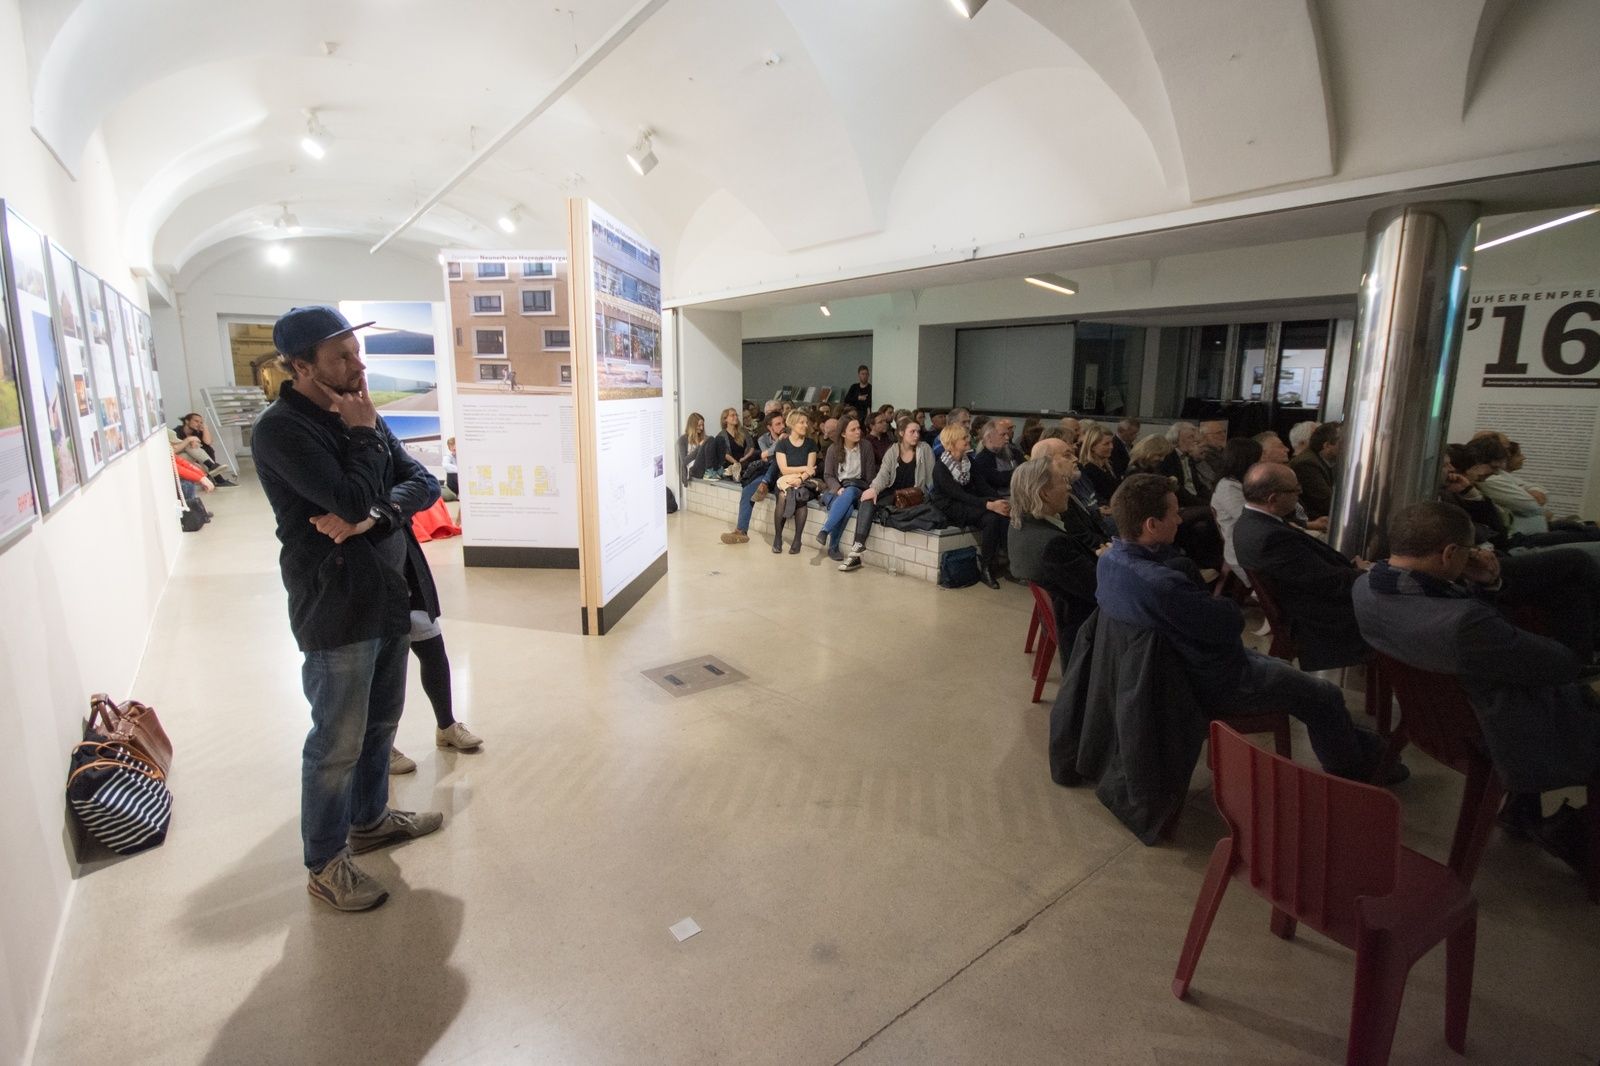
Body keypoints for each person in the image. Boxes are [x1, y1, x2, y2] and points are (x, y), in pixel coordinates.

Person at [251, 305, 444, 912]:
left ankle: (371, 820)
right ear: (301, 366)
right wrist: (362, 443)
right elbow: (347, 495)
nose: (358, 366)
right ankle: (325, 862)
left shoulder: (362, 410)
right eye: (341, 357)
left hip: (388, 590)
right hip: (335, 603)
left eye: (356, 353)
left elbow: (423, 482)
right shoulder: (281, 430)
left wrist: (375, 514)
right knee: (336, 743)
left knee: (382, 723)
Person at [1097, 473, 1395, 782]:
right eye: (1174, 513)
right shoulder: (1163, 585)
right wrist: (1216, 603)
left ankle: (1367, 749)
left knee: (1294, 676)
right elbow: (1230, 622)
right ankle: (1352, 771)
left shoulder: (1109, 561)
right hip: (1212, 679)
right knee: (1324, 694)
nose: (1180, 519)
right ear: (1151, 525)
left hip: (1177, 670)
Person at [1353, 501, 1598, 855]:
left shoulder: (1365, 587)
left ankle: (1524, 811)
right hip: (1497, 730)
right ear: (1450, 553)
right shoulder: (1465, 623)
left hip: (1437, 717)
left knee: (1566, 587)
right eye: (1469, 551)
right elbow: (1563, 666)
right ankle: (1577, 834)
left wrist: (1490, 584)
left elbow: (1479, 635)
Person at [1232, 462, 1371, 670]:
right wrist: (1367, 574)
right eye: (1295, 490)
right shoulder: (1270, 536)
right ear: (1273, 499)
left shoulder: (1252, 521)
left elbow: (1307, 570)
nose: (1300, 493)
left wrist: (1351, 568)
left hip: (1310, 597)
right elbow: (1327, 583)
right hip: (1321, 617)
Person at [1007, 454, 1109, 653]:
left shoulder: (1020, 525)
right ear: (1044, 493)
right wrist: (1110, 559)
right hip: (1085, 626)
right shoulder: (1053, 545)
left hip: (1065, 612)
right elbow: (1101, 591)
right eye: (1063, 481)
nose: (1069, 487)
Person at [840, 417, 934, 572]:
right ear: (901, 433)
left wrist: (930, 497)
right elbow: (883, 475)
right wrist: (874, 489)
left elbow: (931, 478)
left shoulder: (924, 449)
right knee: (867, 499)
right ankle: (857, 547)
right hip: (894, 492)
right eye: (912, 431)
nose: (916, 435)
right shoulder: (893, 450)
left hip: (914, 496)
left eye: (918, 431)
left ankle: (856, 551)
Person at [930, 424, 1011, 588]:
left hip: (968, 502)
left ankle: (1006, 562)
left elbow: (982, 487)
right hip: (950, 506)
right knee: (992, 517)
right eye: (964, 438)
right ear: (952, 443)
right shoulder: (940, 468)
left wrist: (1000, 501)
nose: (969, 440)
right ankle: (987, 568)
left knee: (1001, 514)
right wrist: (989, 505)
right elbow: (958, 495)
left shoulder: (969, 462)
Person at [720, 411, 788, 545]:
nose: (782, 426)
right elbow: (765, 455)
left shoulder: (789, 437)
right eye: (778, 424)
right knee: (747, 490)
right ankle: (741, 531)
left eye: (783, 423)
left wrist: (772, 451)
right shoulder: (763, 439)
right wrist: (778, 442)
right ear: (769, 427)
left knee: (776, 460)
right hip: (766, 472)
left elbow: (773, 456)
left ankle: (764, 484)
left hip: (783, 474)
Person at [816, 414, 878, 561]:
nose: (858, 432)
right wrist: (838, 488)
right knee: (847, 508)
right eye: (853, 429)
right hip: (840, 489)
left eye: (858, 428)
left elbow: (870, 476)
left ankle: (825, 530)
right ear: (843, 434)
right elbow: (828, 475)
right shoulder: (833, 449)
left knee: (850, 491)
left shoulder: (866, 446)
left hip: (860, 488)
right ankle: (833, 548)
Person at [1210, 437, 1262, 584]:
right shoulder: (1228, 487)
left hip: (1253, 543)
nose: (1261, 464)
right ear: (1246, 462)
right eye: (1258, 460)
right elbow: (1250, 519)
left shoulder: (1242, 482)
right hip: (1243, 551)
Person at [772, 409, 819, 554]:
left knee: (801, 496)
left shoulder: (811, 444)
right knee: (782, 496)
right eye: (801, 422)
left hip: (804, 482)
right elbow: (784, 469)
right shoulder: (782, 444)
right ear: (792, 424)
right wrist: (804, 468)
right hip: (785, 482)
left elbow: (810, 471)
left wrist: (800, 479)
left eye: (806, 422)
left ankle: (797, 539)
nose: (805, 425)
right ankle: (778, 537)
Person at [1289, 420, 1341, 520]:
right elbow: (1327, 503)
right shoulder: (1307, 464)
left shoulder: (1324, 461)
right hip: (1314, 521)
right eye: (1343, 442)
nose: (1348, 447)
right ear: (1327, 445)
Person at [174, 412, 236, 485]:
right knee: (189, 445)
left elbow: (208, 442)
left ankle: (212, 470)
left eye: (201, 422)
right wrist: (188, 441)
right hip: (179, 459)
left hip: (196, 461)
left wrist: (205, 428)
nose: (199, 424)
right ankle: (217, 476)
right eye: (196, 421)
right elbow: (174, 450)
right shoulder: (176, 432)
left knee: (207, 448)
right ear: (187, 421)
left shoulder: (197, 431)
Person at [971, 420, 1021, 496]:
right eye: (1003, 435)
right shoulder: (981, 460)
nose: (1007, 438)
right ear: (989, 438)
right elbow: (1000, 480)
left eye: (1007, 434)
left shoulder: (1014, 452)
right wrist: (1019, 471)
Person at [1077, 423, 1120, 504]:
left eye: (1111, 442)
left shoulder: (1109, 466)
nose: (1111, 447)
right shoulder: (1087, 470)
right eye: (1106, 444)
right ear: (1092, 446)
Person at [714, 406, 757, 480]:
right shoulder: (721, 435)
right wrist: (736, 463)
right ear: (725, 419)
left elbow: (751, 447)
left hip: (745, 460)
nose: (736, 417)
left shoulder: (743, 431)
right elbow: (725, 453)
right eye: (732, 415)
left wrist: (744, 458)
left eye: (736, 415)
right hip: (731, 464)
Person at [677, 412, 710, 484]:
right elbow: (684, 461)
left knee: (716, 440)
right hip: (693, 473)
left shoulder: (704, 438)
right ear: (692, 425)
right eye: (699, 425)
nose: (701, 428)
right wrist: (699, 447)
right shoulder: (682, 440)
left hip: (705, 470)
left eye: (702, 425)